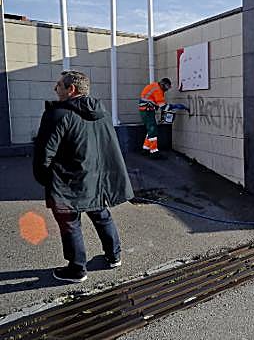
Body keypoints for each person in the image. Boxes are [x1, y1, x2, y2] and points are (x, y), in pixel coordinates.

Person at [33, 70, 134, 283]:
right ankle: (114, 256)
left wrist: (46, 179)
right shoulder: (102, 112)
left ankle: (77, 269)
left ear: (71, 89)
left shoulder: (58, 115)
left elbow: (43, 155)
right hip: (96, 179)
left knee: (70, 224)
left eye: (59, 85)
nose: (55, 88)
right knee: (101, 215)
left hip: (68, 183)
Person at [139, 77, 172, 157]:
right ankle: (154, 152)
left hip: (145, 110)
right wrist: (174, 107)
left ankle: (146, 148)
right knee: (153, 130)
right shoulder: (158, 90)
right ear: (163, 84)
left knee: (150, 129)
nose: (167, 90)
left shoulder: (155, 86)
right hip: (147, 110)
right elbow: (163, 106)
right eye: (167, 87)